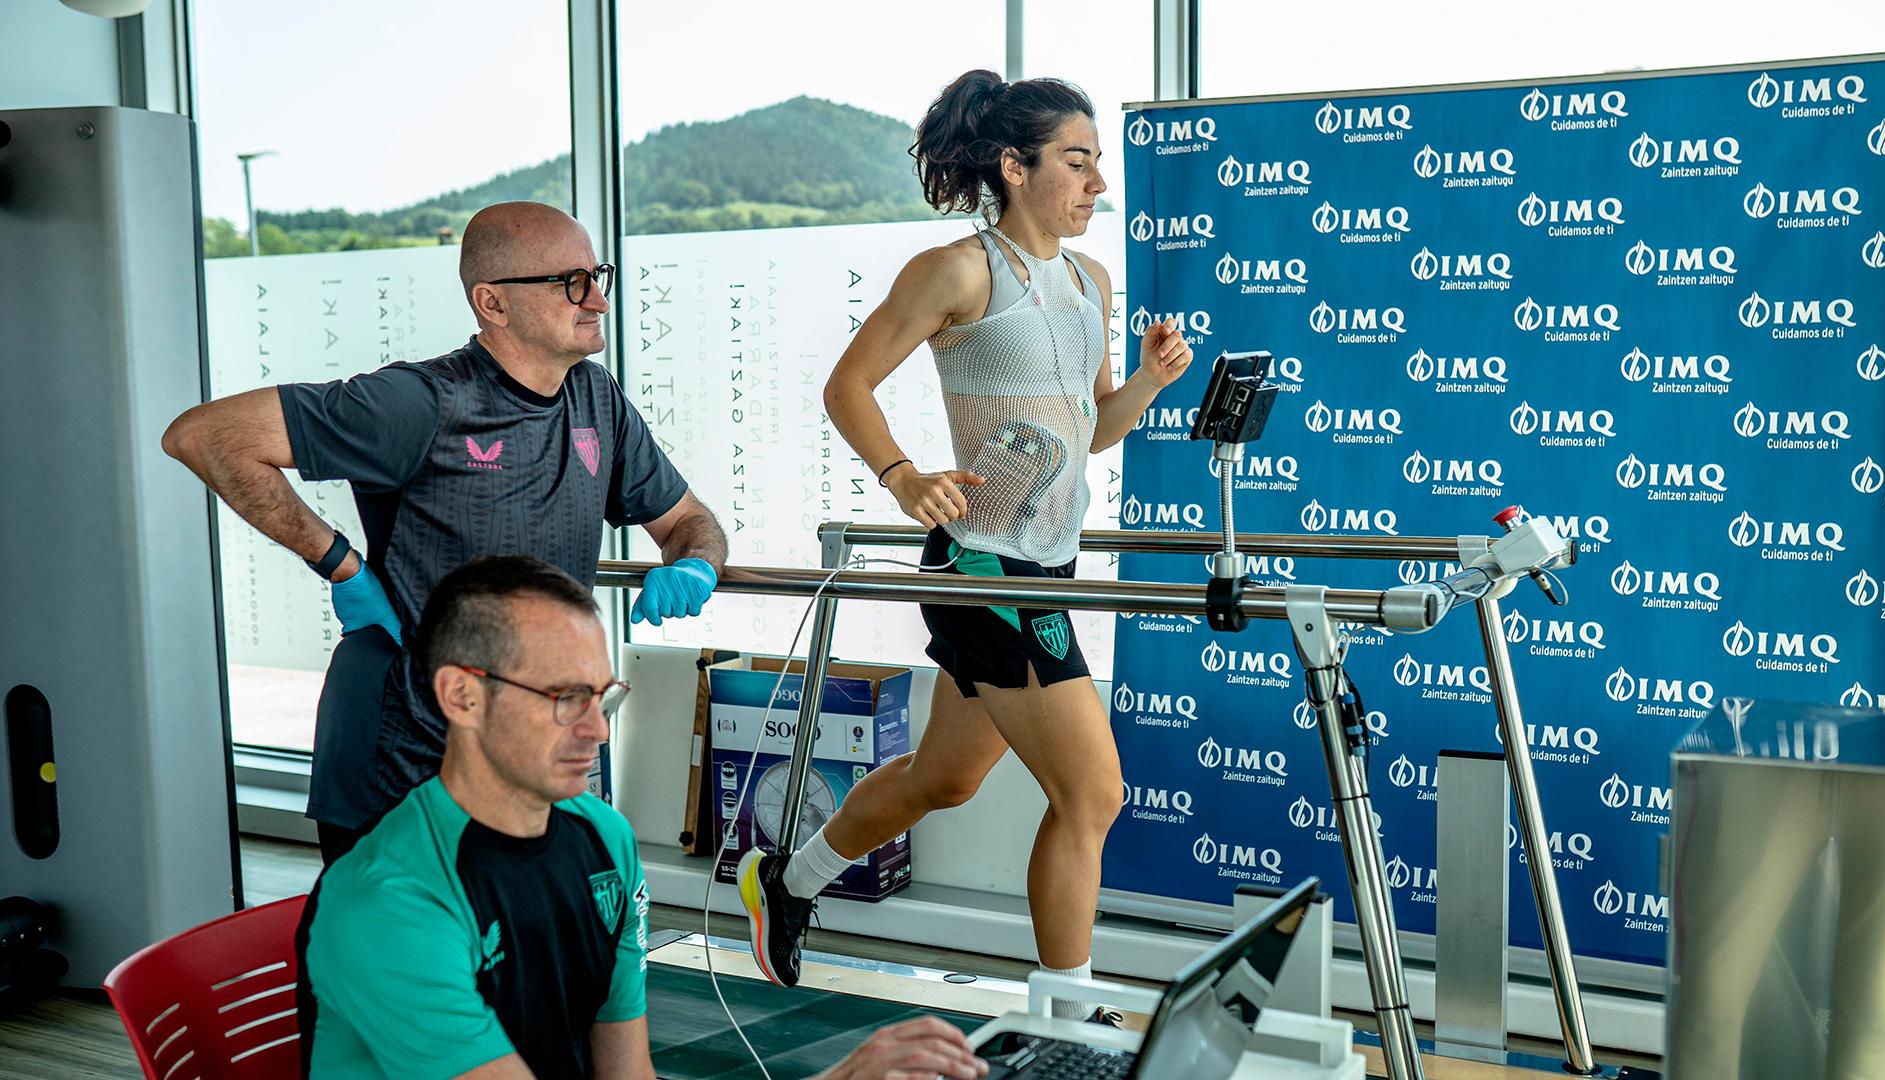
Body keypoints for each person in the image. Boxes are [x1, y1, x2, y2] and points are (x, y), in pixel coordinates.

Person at [739, 70, 1194, 1018]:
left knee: (944, 781)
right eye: (1077, 162)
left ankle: (787, 880)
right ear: (1013, 165)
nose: (1096, 184)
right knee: (1092, 794)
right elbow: (847, 386)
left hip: (1050, 566)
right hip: (983, 566)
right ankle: (1068, 1011)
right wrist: (905, 478)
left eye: (1097, 164)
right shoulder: (958, 270)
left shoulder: (1089, 283)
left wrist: (1148, 382)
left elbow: (1093, 428)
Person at [162, 202, 727, 861]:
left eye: (597, 275)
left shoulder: (596, 398)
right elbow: (203, 437)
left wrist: (696, 565)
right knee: (408, 957)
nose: (598, 300)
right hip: (403, 752)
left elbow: (690, 521)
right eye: (570, 282)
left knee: (518, 955)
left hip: (523, 752)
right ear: (493, 303)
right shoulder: (418, 402)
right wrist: (339, 562)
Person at [296, 555, 989, 1080]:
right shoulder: (391, 906)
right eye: (565, 697)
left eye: (602, 694)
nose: (597, 729)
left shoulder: (603, 838)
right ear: (462, 697)